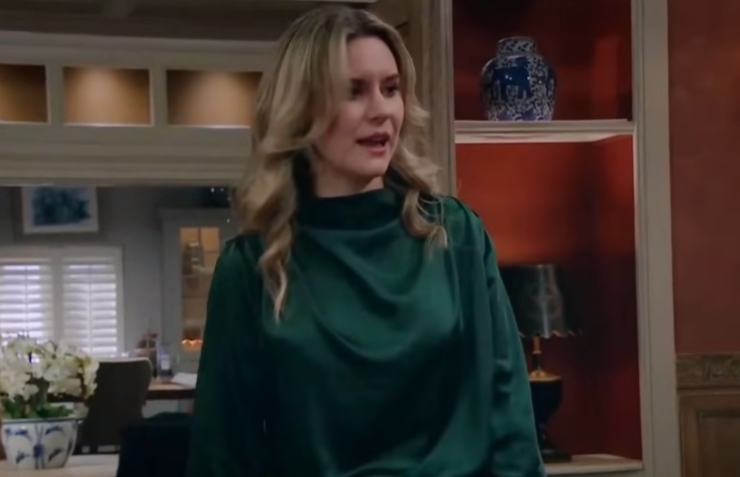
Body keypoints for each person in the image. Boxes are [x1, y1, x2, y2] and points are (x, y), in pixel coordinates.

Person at [185, 6, 545, 477]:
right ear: (302, 110)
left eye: (391, 89)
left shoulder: (455, 235)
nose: (381, 111)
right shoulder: (252, 266)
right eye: (354, 91)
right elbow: (222, 456)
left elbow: (511, 421)